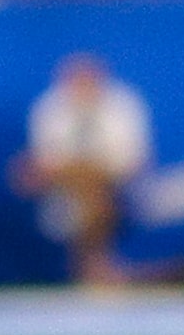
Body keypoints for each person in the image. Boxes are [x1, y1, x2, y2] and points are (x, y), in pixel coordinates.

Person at [14, 51, 151, 287]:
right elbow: (42, 167)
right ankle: (98, 268)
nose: (82, 88)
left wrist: (88, 171)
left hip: (118, 192)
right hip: (63, 195)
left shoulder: (123, 106)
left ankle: (94, 267)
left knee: (93, 189)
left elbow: (134, 163)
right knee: (83, 188)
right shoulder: (50, 108)